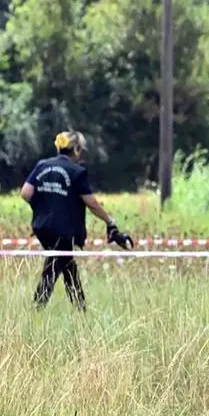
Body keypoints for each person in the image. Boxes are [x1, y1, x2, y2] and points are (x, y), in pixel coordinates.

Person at [20, 131, 133, 311]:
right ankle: (36, 310)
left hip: (42, 228)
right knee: (53, 269)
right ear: (77, 149)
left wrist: (45, 205)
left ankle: (81, 310)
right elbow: (92, 204)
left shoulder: (42, 165)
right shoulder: (77, 172)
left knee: (66, 265)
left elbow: (26, 193)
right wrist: (110, 222)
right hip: (63, 229)